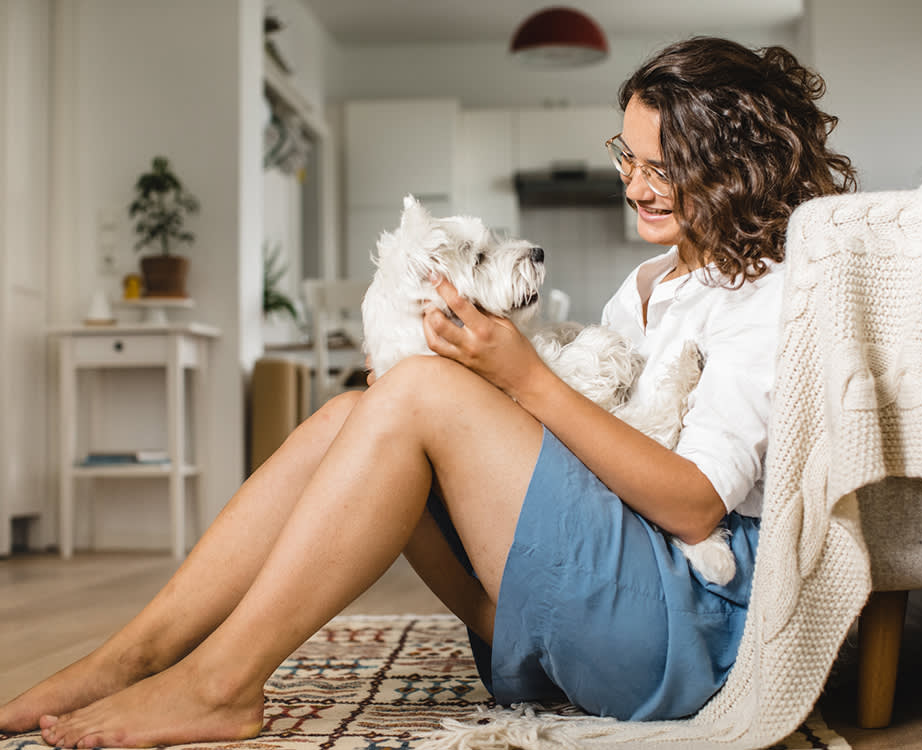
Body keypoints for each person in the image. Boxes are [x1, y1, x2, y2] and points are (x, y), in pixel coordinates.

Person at [0, 36, 855, 747]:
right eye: (627, 155)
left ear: (736, 164)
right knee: (354, 412)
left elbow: (698, 505)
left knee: (413, 397)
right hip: (592, 603)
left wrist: (514, 376)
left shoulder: (773, 289)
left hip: (674, 633)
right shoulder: (647, 285)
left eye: (666, 165)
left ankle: (220, 683)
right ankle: (136, 654)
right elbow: (595, 451)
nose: (635, 182)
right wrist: (474, 386)